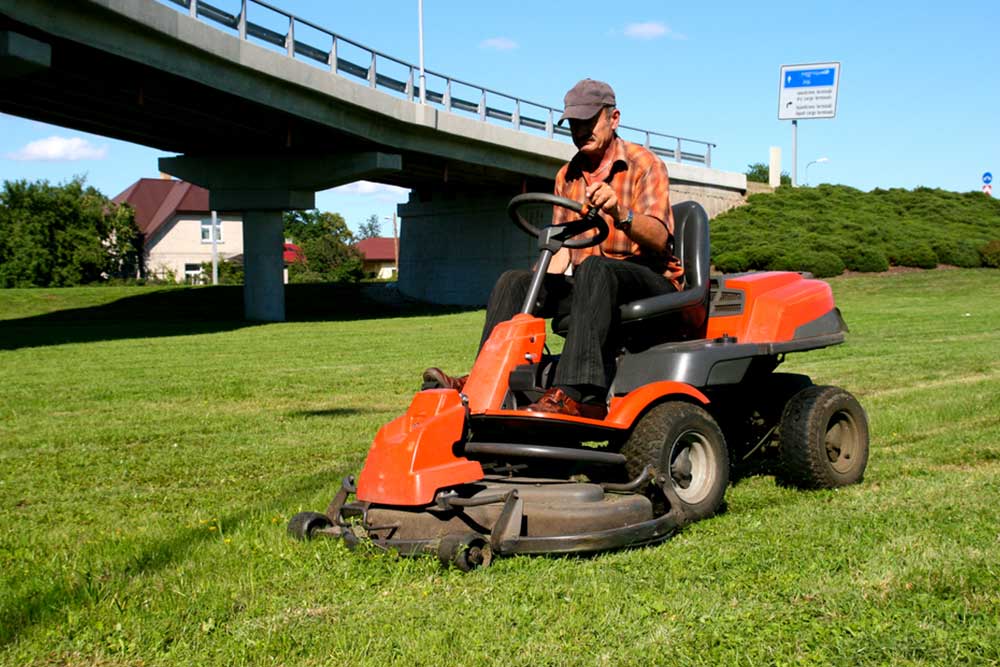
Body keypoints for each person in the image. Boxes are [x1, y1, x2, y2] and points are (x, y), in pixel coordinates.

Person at [424, 78, 683, 419]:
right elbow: (563, 248)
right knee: (514, 282)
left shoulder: (644, 164)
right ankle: (486, 378)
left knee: (595, 268)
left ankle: (578, 392)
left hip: (651, 284)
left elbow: (660, 238)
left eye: (589, 122)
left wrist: (621, 214)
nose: (581, 131)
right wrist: (537, 286)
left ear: (614, 119)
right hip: (594, 285)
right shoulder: (568, 175)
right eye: (575, 124)